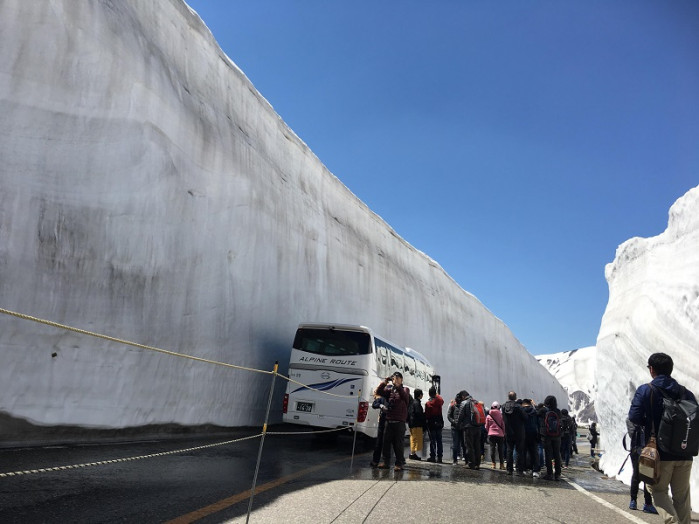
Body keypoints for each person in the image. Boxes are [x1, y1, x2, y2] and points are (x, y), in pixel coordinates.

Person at [628, 352, 695, 524]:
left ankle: (673, 522)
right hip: (684, 452)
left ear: (652, 369)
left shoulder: (646, 390)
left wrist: (650, 425)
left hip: (659, 453)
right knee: (682, 497)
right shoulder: (686, 393)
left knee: (656, 490)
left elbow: (634, 417)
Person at [376, 371, 411, 471]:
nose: (394, 380)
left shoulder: (405, 389)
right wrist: (384, 382)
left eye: (397, 378)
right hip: (389, 420)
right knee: (386, 443)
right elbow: (379, 392)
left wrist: (398, 386)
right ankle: (386, 462)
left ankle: (399, 463)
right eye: (394, 378)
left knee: (398, 444)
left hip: (399, 422)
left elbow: (405, 397)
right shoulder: (390, 390)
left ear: (401, 380)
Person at [625, 417, 657, 514]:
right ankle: (647, 504)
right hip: (647, 451)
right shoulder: (649, 417)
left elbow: (631, 434)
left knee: (636, 474)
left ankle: (633, 501)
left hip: (636, 450)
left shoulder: (632, 418)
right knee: (646, 475)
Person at [457, 390, 483, 469]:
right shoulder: (476, 402)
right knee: (477, 445)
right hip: (478, 427)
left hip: (468, 428)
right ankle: (477, 464)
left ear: (463, 396)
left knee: (469, 446)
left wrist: (458, 425)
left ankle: (471, 463)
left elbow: (460, 416)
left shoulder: (464, 403)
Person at [539, 395, 562, 481]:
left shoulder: (543, 411)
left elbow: (537, 413)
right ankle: (558, 474)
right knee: (557, 454)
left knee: (548, 454)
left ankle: (549, 474)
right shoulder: (558, 411)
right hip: (557, 435)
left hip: (547, 435)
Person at [502, 391, 526, 475]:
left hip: (508, 431)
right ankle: (519, 470)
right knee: (519, 451)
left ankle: (509, 469)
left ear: (508, 397)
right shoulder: (519, 407)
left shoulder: (503, 406)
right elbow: (525, 417)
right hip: (519, 431)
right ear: (515, 397)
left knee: (509, 450)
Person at [424, 387, 444, 463]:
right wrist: (437, 395)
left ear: (429, 394)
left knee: (433, 440)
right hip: (439, 421)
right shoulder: (439, 401)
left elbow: (427, 415)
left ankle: (433, 456)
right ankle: (440, 457)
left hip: (431, 423)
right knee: (439, 440)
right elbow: (442, 400)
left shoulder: (428, 403)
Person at [521, 399, 540, 476]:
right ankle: (535, 470)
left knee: (523, 452)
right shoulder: (535, 412)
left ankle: (524, 469)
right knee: (534, 453)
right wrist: (534, 405)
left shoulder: (521, 411)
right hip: (533, 434)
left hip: (523, 434)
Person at [447, 391, 466, 465]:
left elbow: (448, 416)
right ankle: (465, 459)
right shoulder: (463, 407)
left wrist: (453, 422)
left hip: (454, 428)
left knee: (455, 444)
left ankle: (455, 460)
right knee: (463, 444)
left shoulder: (452, 406)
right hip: (462, 428)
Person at [485, 401, 506, 469]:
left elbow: (486, 426)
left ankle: (493, 464)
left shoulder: (488, 415)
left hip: (491, 434)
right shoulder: (501, 415)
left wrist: (489, 431)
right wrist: (503, 432)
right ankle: (502, 465)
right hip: (500, 435)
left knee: (492, 449)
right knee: (500, 450)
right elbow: (503, 425)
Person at [369, 392, 387, 468]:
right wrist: (380, 405)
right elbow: (374, 405)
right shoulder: (383, 398)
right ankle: (381, 461)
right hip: (386, 422)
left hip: (387, 422)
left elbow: (374, 404)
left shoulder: (386, 398)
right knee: (382, 442)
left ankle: (377, 461)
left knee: (382, 442)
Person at [408, 388, 426, 460]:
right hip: (416, 424)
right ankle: (412, 454)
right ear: (420, 395)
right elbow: (419, 414)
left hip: (412, 423)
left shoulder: (412, 402)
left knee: (413, 438)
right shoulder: (417, 403)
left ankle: (413, 453)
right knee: (416, 439)